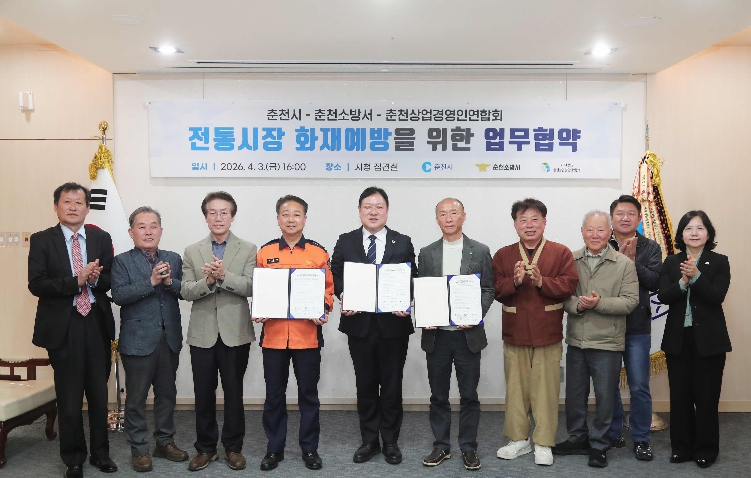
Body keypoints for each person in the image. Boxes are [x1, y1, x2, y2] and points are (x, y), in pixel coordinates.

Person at [28, 182, 118, 478]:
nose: (73, 207)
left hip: (95, 323)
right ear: (56, 206)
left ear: (87, 208)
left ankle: (100, 454)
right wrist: (75, 281)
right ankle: (74, 458)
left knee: (98, 394)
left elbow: (110, 281)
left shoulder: (101, 238)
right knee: (69, 397)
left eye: (79, 202)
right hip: (63, 326)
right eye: (67, 202)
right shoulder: (42, 240)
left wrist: (94, 280)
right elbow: (36, 284)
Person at [331, 186, 417, 465]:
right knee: (365, 384)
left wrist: (407, 300)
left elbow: (411, 277)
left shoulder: (402, 241)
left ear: (387, 211)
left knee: (392, 385)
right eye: (367, 206)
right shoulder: (346, 241)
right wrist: (343, 295)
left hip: (394, 326)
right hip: (359, 325)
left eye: (379, 207)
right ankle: (369, 440)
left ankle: (390, 441)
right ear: (359, 210)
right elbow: (335, 274)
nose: (373, 211)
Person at [492, 198, 579, 466]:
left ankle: (543, 441)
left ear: (544, 222)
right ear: (515, 224)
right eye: (523, 220)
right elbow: (495, 289)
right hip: (515, 330)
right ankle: (519, 439)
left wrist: (543, 282)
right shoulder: (503, 254)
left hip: (547, 331)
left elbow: (569, 285)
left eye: (534, 219)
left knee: (546, 389)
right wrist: (515, 281)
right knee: (516, 389)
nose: (529, 225)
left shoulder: (560, 252)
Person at [253, 195, 334, 471]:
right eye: (285, 214)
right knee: (274, 396)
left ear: (305, 219)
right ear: (278, 218)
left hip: (307, 336)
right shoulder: (265, 253)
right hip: (274, 337)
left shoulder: (318, 253)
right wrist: (259, 308)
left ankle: (309, 449)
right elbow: (259, 288)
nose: (291, 219)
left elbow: (328, 289)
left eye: (296, 214)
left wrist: (323, 308)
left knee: (308, 396)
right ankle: (274, 449)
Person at [555, 210, 639, 468]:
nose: (595, 235)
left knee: (605, 397)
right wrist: (577, 305)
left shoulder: (624, 264)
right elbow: (562, 296)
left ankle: (600, 444)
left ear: (609, 232)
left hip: (607, 342)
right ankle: (577, 438)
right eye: (590, 229)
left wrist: (599, 303)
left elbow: (630, 301)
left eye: (600, 230)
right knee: (574, 395)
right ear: (582, 232)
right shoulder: (570, 259)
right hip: (577, 340)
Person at [181, 191, 257, 472]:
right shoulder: (192, 250)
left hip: (235, 331)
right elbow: (186, 291)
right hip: (202, 333)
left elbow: (252, 286)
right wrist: (209, 281)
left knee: (234, 393)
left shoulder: (248, 249)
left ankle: (233, 448)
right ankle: (206, 448)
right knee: (203, 393)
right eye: (212, 212)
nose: (218, 217)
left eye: (224, 212)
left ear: (232, 216)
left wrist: (224, 276)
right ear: (205, 217)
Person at [111, 206, 189, 472]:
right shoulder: (121, 261)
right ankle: (139, 450)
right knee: (136, 398)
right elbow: (119, 295)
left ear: (161, 231)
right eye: (142, 226)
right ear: (131, 232)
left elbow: (184, 291)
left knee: (167, 395)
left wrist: (169, 283)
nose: (148, 231)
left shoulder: (173, 258)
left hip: (169, 338)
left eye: (153, 226)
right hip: (137, 341)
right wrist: (152, 281)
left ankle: (165, 442)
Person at [418, 198, 494, 471]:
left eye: (453, 213)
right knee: (438, 395)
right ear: (437, 219)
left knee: (469, 395)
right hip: (437, 336)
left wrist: (475, 314)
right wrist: (425, 314)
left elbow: (488, 289)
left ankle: (468, 447)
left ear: (463, 216)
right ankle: (441, 445)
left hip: (467, 337)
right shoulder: (426, 253)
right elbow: (422, 290)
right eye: (443, 214)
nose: (448, 218)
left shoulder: (480, 250)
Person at [658, 210, 731, 468]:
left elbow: (716, 297)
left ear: (708, 234)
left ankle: (706, 450)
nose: (694, 233)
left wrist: (697, 276)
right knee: (680, 397)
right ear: (681, 234)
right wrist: (683, 280)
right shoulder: (671, 262)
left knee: (707, 397)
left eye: (700, 228)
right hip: (678, 339)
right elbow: (663, 296)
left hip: (709, 341)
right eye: (689, 228)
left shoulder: (720, 262)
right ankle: (681, 448)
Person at [606, 195, 662, 460]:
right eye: (620, 213)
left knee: (639, 385)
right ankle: (614, 431)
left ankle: (641, 438)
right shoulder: (602, 244)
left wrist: (631, 263)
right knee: (608, 384)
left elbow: (654, 282)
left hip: (637, 327)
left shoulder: (650, 247)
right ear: (612, 218)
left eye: (631, 213)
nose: (625, 218)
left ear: (639, 218)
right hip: (607, 325)